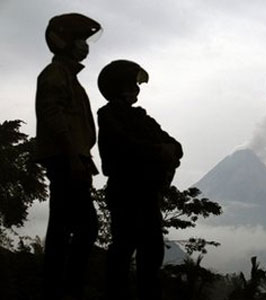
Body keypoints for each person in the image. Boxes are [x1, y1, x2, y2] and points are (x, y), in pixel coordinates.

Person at [97, 60, 183, 300]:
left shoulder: (143, 118)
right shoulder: (108, 114)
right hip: (125, 189)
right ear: (119, 85)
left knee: (152, 250)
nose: (136, 89)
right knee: (123, 247)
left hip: (146, 192)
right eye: (132, 84)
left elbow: (175, 145)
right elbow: (125, 144)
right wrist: (159, 151)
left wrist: (166, 150)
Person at [35, 13, 102, 300]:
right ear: (65, 42)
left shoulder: (70, 77)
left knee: (64, 225)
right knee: (82, 226)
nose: (84, 46)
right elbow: (53, 115)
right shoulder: (56, 74)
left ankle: (58, 285)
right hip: (66, 159)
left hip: (74, 158)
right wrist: (72, 154)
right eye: (80, 40)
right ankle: (65, 286)